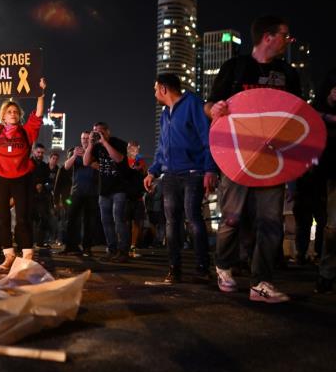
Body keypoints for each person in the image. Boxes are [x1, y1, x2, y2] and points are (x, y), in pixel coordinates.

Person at [206, 15, 300, 303]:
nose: (288, 40)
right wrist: (215, 110)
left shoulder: (288, 73)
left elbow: (298, 114)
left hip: (274, 160)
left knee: (271, 222)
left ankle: (261, 283)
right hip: (238, 157)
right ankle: (223, 265)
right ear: (268, 37)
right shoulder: (235, 68)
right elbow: (209, 105)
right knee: (232, 218)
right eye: (285, 34)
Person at [144, 73, 217, 283]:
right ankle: (174, 269)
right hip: (169, 176)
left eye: (156, 88)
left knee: (193, 218)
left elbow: (208, 137)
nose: (155, 93)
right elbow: (162, 148)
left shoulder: (193, 103)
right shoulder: (164, 114)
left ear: (164, 89)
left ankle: (203, 268)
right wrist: (153, 171)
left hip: (193, 173)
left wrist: (210, 169)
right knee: (171, 223)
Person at [0, 77, 47, 271]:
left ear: (19, 116)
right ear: (3, 117)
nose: (12, 114)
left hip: (22, 177)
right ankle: (8, 256)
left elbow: (37, 116)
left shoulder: (26, 131)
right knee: (3, 217)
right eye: (9, 112)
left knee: (22, 217)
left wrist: (41, 93)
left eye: (15, 112)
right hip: (1, 178)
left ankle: (27, 254)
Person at [84, 122, 130, 263]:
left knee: (119, 220)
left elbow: (119, 159)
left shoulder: (118, 142)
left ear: (107, 132)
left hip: (119, 188)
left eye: (100, 131)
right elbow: (86, 162)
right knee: (106, 221)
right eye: (95, 132)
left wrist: (104, 142)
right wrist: (91, 144)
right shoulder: (96, 146)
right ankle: (112, 250)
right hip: (104, 190)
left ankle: (123, 251)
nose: (98, 134)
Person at [314, 67, 336, 293]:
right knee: (333, 226)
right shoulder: (329, 81)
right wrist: (329, 105)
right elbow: (312, 112)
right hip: (332, 169)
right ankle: (326, 273)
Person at [63, 131, 101, 256]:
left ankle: (87, 247)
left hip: (92, 192)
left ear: (91, 139)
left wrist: (89, 160)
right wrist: (74, 156)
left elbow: (99, 167)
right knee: (71, 219)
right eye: (82, 138)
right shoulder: (75, 151)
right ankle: (70, 246)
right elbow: (66, 167)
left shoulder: (95, 152)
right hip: (76, 191)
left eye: (86, 138)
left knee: (89, 222)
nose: (84, 140)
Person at [126, 140, 147, 255]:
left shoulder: (141, 161)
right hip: (125, 196)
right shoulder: (124, 160)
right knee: (124, 222)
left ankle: (133, 245)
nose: (134, 151)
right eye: (131, 148)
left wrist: (142, 167)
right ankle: (124, 245)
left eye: (136, 149)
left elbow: (145, 173)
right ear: (128, 149)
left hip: (138, 196)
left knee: (136, 222)